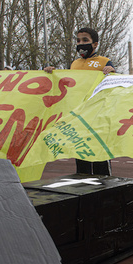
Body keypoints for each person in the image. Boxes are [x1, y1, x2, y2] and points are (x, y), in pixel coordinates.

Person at [44, 27, 115, 176]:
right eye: (78, 41)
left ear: (95, 44)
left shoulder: (104, 62)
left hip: (98, 115)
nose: (80, 44)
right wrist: (52, 74)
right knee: (81, 152)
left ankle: (105, 188)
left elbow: (113, 83)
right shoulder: (74, 64)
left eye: (85, 40)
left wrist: (112, 72)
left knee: (99, 154)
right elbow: (69, 83)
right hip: (80, 115)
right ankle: (83, 187)